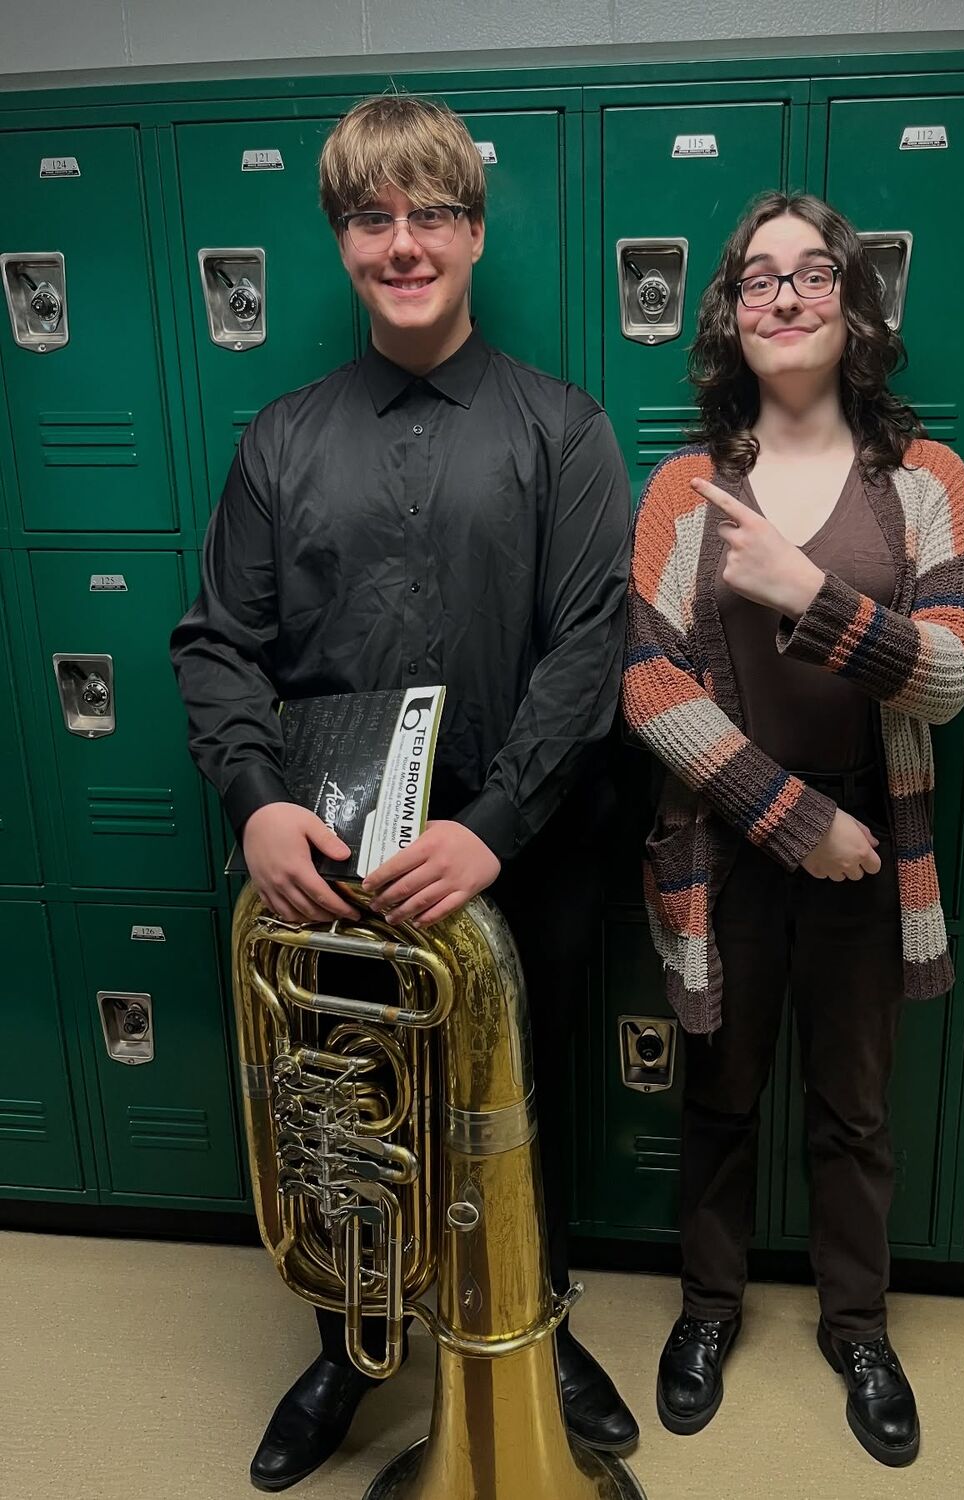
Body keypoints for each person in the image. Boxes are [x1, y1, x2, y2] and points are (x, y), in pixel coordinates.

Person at [170, 94, 637, 1493]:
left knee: (522, 1103)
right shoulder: (280, 440)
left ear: (475, 232)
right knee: (339, 1115)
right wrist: (255, 802)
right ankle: (351, 1349)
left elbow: (587, 652)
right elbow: (215, 644)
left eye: (432, 213)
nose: (404, 242)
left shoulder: (565, 429)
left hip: (516, 857)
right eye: (374, 218)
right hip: (331, 865)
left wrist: (491, 830)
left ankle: (532, 1333)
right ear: (344, 243)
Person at [621, 191, 964, 1468]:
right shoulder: (687, 488)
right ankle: (707, 1313)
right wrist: (789, 817)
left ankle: (858, 1328)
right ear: (730, 312)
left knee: (857, 1110)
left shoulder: (927, 481)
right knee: (719, 1096)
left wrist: (814, 594)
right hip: (733, 847)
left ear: (853, 301)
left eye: (813, 273)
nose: (785, 296)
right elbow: (648, 684)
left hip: (878, 855)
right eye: (758, 277)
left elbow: (947, 677)